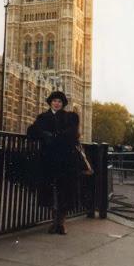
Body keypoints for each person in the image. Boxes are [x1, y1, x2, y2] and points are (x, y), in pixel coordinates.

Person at [27, 91, 85, 235]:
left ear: (63, 103)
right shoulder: (42, 117)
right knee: (51, 193)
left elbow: (72, 134)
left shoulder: (71, 117)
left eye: (59, 101)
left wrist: (53, 136)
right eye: (54, 101)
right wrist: (45, 135)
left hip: (66, 161)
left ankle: (62, 223)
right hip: (49, 161)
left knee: (65, 192)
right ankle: (54, 222)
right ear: (50, 102)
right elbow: (32, 132)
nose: (57, 103)